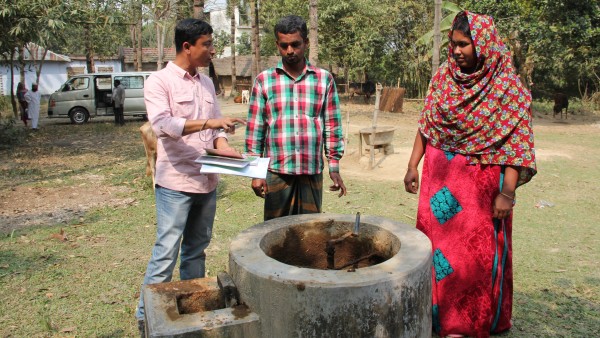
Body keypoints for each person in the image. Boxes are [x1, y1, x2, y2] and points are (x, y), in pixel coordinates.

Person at [403, 11, 536, 338]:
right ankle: (435, 317)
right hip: (439, 185)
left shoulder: (506, 86)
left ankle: (466, 324)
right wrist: (412, 165)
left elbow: (517, 143)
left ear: (484, 44)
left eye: (464, 44)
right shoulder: (443, 77)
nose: (457, 51)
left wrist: (507, 192)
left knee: (472, 262)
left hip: (479, 194)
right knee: (436, 254)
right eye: (453, 44)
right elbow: (427, 125)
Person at [135, 18, 245, 334]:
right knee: (167, 250)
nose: (212, 50)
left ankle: (191, 309)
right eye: (207, 44)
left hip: (207, 180)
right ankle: (146, 317)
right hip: (175, 182)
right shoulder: (159, 81)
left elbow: (216, 134)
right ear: (188, 46)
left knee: (196, 249)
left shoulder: (207, 83)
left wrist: (226, 150)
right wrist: (210, 124)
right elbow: (162, 126)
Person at [245, 15, 347, 221]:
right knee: (275, 236)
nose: (290, 50)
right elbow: (255, 131)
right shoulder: (264, 81)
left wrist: (334, 166)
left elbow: (332, 126)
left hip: (311, 172)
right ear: (277, 45)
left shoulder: (323, 79)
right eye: (284, 46)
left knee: (310, 235)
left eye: (295, 44)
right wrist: (256, 173)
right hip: (277, 172)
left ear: (306, 43)